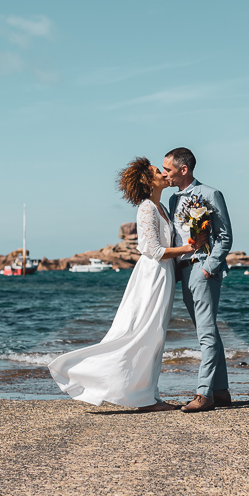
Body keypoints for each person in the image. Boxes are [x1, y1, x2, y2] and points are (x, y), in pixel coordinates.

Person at [47, 157, 205, 412]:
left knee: (155, 336)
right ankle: (87, 374)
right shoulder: (146, 208)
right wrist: (189, 248)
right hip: (151, 276)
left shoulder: (161, 207)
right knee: (141, 333)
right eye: (157, 171)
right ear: (147, 180)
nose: (164, 173)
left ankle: (147, 396)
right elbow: (153, 250)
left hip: (163, 276)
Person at [162, 147, 233, 413]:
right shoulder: (172, 200)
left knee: (205, 332)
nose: (164, 173)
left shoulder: (210, 194)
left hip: (202, 269)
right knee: (207, 330)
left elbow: (225, 236)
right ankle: (221, 390)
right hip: (183, 271)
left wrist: (208, 268)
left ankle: (204, 394)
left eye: (167, 169)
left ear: (183, 169)